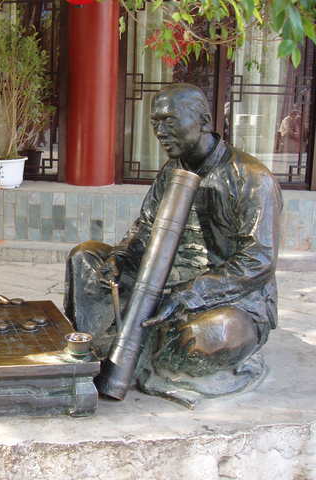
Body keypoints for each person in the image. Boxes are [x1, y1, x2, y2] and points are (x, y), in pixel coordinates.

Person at [65, 84, 283, 405]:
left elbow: (257, 261)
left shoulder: (252, 178)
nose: (160, 131)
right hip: (159, 283)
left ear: (205, 121)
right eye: (155, 123)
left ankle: (150, 346)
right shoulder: (172, 170)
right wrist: (122, 257)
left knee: (206, 338)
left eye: (169, 121)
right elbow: (144, 228)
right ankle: (109, 340)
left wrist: (191, 293)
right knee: (85, 257)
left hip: (225, 298)